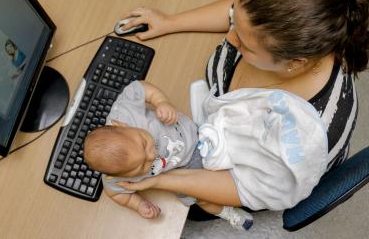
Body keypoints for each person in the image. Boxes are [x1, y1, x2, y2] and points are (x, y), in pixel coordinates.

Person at [114, 0, 369, 220]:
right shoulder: (271, 29)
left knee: (181, 210)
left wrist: (160, 181)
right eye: (235, 23)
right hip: (209, 130)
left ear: (294, 63)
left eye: (244, 44)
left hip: (244, 177)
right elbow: (236, 14)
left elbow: (245, 186)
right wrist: (170, 21)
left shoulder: (301, 135)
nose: (229, 36)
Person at [84, 80, 254, 230]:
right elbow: (115, 194)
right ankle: (227, 212)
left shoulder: (124, 114)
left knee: (237, 153)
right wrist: (138, 205)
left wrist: (161, 101)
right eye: (140, 166)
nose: (151, 156)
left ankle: (206, 122)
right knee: (202, 200)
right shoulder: (115, 179)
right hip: (181, 172)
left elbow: (139, 87)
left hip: (194, 134)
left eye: (144, 144)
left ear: (122, 125)